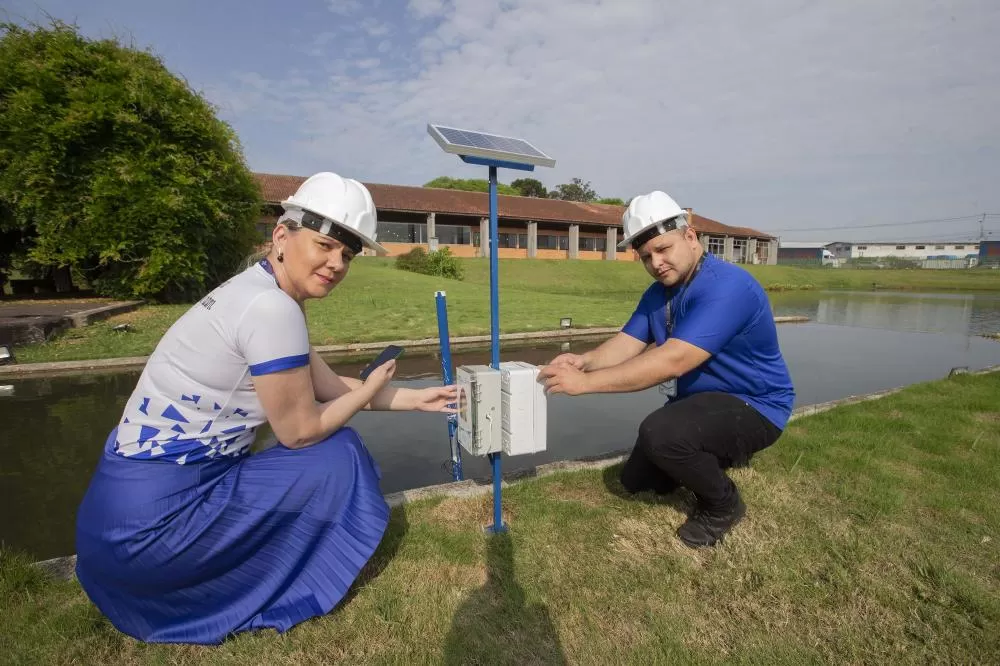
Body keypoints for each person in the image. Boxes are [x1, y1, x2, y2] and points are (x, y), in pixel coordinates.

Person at [74, 172, 457, 644]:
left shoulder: (257, 291)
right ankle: (279, 583)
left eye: (347, 255)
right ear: (281, 236)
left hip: (114, 526)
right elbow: (299, 431)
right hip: (153, 531)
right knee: (336, 454)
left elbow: (326, 386)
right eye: (325, 245)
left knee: (327, 447)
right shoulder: (272, 310)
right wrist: (368, 390)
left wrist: (417, 398)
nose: (336, 263)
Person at [539, 191, 794, 548]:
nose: (656, 263)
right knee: (638, 481)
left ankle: (724, 505)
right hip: (703, 403)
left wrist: (585, 383)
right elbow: (627, 343)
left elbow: (673, 360)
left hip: (757, 406)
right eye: (646, 256)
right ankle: (716, 454)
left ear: (690, 236)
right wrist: (584, 361)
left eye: (663, 249)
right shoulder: (659, 293)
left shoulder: (729, 287)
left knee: (661, 433)